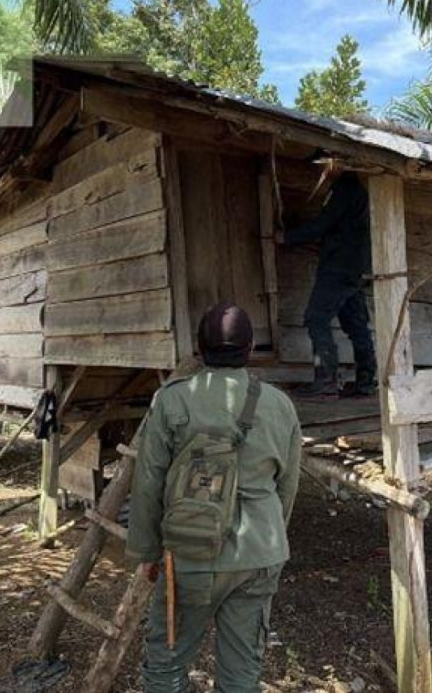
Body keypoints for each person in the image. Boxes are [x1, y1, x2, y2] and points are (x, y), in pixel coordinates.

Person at [127, 302, 302, 693]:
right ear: (250, 348)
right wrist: (272, 537)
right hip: (259, 552)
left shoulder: (172, 400)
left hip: (190, 553)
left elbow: (148, 482)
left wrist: (148, 551)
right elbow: (286, 486)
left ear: (199, 348)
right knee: (241, 673)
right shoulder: (280, 405)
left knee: (166, 665)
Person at [281, 162, 376, 397]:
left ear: (336, 163)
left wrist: (288, 237)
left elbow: (323, 224)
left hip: (339, 268)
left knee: (316, 318)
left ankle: (326, 379)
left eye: (323, 164)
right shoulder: (356, 191)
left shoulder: (344, 190)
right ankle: (365, 382)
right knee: (356, 326)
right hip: (354, 268)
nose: (320, 170)